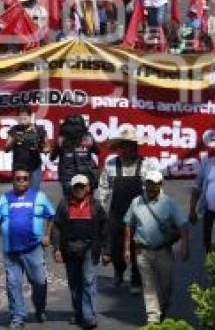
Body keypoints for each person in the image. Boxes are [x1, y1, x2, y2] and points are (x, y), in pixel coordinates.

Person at [0, 167, 56, 326]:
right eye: (18, 178)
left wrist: (47, 235)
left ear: (29, 181)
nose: (21, 181)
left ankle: (40, 307)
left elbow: (52, 216)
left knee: (39, 281)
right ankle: (17, 317)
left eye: (25, 178)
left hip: (34, 248)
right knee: (13, 284)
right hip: (11, 250)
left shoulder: (39, 197)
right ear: (13, 180)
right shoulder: (4, 199)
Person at [96, 130, 161, 293]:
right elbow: (103, 188)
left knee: (138, 248)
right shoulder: (111, 164)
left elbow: (155, 189)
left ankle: (136, 279)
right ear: (120, 147)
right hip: (116, 212)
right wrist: (99, 211)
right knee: (116, 248)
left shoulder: (147, 164)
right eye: (125, 146)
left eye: (132, 146)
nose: (129, 149)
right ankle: (119, 271)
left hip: (139, 212)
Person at [124, 170, 190, 325]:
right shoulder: (136, 202)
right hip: (142, 250)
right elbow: (128, 225)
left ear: (161, 184)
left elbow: (182, 226)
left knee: (166, 285)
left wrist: (185, 246)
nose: (151, 187)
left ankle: (163, 306)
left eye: (154, 184)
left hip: (163, 251)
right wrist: (127, 248)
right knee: (148, 285)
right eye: (149, 183)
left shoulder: (169, 203)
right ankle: (153, 316)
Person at [52, 174, 111, 330]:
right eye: (76, 186)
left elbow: (105, 228)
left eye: (82, 186)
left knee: (88, 281)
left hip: (90, 249)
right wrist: (56, 248)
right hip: (70, 249)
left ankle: (89, 316)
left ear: (88, 188)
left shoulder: (96, 206)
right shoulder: (64, 205)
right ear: (72, 188)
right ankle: (79, 313)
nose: (79, 189)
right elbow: (56, 227)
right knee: (74, 284)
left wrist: (107, 251)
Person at [5, 104, 48, 190]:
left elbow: (48, 148)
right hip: (19, 167)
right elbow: (6, 149)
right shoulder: (14, 130)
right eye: (20, 117)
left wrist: (39, 147)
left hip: (34, 167)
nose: (22, 119)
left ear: (30, 116)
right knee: (18, 192)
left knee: (34, 193)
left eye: (25, 117)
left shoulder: (39, 129)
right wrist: (14, 139)